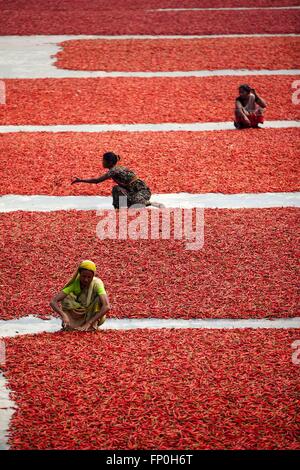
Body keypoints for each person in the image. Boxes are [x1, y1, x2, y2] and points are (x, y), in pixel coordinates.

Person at [71, 151, 163, 209]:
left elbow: (97, 180)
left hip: (142, 191)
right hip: (131, 191)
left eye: (103, 160)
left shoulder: (115, 170)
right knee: (117, 189)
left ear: (109, 162)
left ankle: (152, 204)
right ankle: (119, 208)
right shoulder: (114, 169)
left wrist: (81, 180)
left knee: (135, 203)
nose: (102, 162)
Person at [50, 260, 110, 331]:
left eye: (89, 277)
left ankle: (91, 325)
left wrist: (89, 323)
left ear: (93, 276)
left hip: (93, 314)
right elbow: (53, 302)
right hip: (79, 312)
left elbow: (106, 306)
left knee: (100, 299)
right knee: (66, 297)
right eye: (83, 276)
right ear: (79, 274)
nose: (86, 280)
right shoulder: (75, 283)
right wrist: (63, 315)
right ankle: (72, 323)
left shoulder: (97, 284)